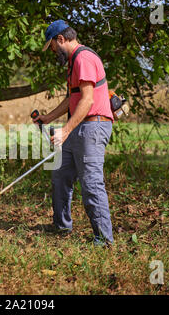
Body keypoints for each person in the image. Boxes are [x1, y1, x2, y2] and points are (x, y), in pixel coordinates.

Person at [33, 20, 114, 245]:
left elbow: (87, 100)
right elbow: (73, 98)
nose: (52, 51)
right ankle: (61, 227)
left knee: (91, 183)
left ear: (61, 39)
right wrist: (48, 118)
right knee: (60, 175)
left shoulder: (84, 58)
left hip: (92, 126)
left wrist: (65, 131)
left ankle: (104, 239)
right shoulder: (73, 62)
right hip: (78, 126)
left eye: (51, 46)